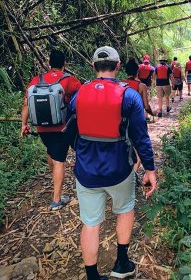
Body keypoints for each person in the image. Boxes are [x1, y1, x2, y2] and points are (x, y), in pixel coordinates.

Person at [69, 46, 157, 280]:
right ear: (118, 66)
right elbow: (141, 136)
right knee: (125, 210)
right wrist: (149, 169)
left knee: (90, 223)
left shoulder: (79, 94)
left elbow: (70, 129)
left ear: (93, 67)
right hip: (119, 170)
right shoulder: (129, 95)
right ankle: (121, 263)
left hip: (86, 171)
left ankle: (92, 276)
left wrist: (81, 151)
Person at [21, 50, 81, 210]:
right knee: (59, 160)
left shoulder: (36, 80)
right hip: (62, 127)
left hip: (41, 127)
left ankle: (56, 182)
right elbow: (81, 99)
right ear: (64, 64)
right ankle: (56, 200)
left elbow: (26, 103)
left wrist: (24, 124)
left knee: (51, 153)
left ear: (49, 63)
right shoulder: (69, 80)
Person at [123, 58, 157, 174]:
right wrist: (154, 114)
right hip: (137, 121)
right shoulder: (141, 86)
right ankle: (133, 174)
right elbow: (146, 106)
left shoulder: (120, 84)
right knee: (139, 148)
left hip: (122, 120)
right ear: (137, 72)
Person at [138, 55, 155, 120]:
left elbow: (136, 76)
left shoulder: (139, 67)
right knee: (147, 99)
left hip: (139, 85)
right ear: (149, 60)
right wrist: (153, 86)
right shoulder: (152, 68)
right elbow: (153, 79)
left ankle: (140, 115)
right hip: (148, 86)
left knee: (139, 99)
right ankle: (146, 115)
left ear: (143, 60)